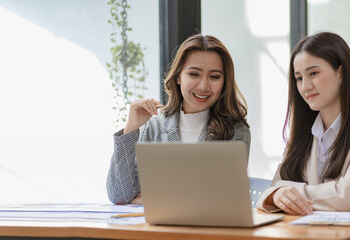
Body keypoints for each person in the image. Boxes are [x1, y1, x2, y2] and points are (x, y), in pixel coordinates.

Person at [257, 32, 350, 215]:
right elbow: (271, 191)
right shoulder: (302, 132)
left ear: (341, 73)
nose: (305, 86)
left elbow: (345, 197)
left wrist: (286, 191)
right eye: (299, 78)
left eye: (313, 73)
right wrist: (276, 195)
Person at [107, 34, 251, 204]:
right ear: (178, 77)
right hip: (154, 229)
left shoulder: (235, 130)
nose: (204, 86)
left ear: (224, 82)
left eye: (214, 77)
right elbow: (119, 195)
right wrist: (131, 129)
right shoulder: (153, 127)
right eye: (194, 74)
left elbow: (221, 199)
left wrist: (152, 198)